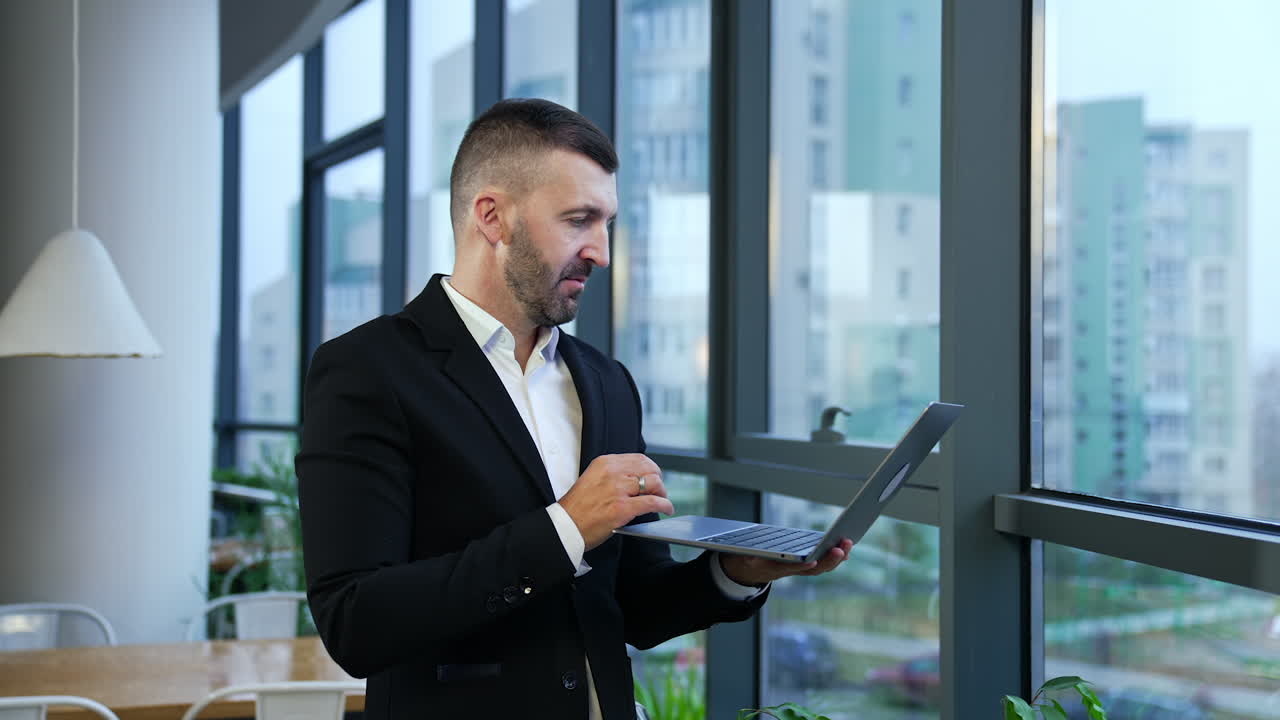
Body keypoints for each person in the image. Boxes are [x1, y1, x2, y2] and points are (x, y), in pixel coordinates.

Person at [295, 98, 854, 720]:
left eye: (607, 222)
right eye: (579, 220)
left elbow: (633, 607)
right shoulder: (367, 370)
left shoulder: (607, 383)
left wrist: (737, 572)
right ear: (492, 217)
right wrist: (565, 529)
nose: (602, 252)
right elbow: (356, 621)